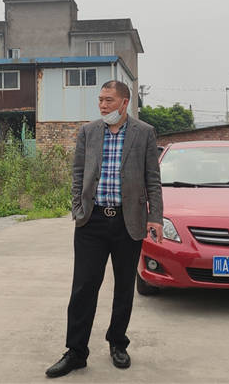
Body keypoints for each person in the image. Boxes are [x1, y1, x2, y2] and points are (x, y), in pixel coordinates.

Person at [46, 80, 163, 378]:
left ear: (124, 102)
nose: (102, 105)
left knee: (123, 287)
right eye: (100, 100)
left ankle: (117, 343)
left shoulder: (144, 133)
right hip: (92, 221)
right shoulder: (89, 132)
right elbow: (77, 172)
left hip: (128, 221)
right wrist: (78, 208)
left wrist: (155, 217)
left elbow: (153, 179)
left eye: (109, 100)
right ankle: (76, 351)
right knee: (83, 287)